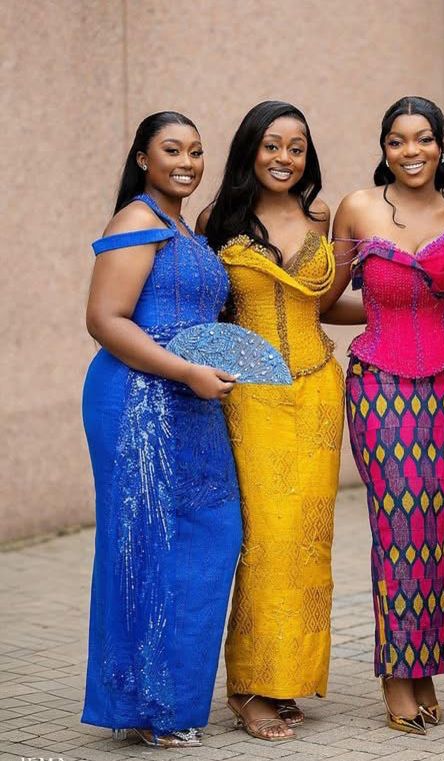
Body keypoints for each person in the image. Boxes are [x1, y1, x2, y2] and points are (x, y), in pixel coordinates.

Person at [82, 112, 242, 748]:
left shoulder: (186, 229)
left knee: (212, 533)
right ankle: (152, 708)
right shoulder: (136, 220)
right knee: (146, 543)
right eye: (172, 150)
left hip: (192, 399)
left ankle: (166, 699)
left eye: (196, 152)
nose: (187, 162)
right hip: (137, 400)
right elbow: (106, 319)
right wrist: (185, 371)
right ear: (144, 159)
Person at [326, 96, 444, 735]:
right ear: (384, 148)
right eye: (397, 140)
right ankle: (398, 671)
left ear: (442, 146)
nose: (410, 151)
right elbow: (325, 301)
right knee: (399, 524)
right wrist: (387, 310)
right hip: (380, 384)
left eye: (423, 138)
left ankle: (427, 667)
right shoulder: (358, 207)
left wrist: (426, 312)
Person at [197, 101, 344, 742]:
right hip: (252, 396)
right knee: (265, 538)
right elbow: (206, 309)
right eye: (273, 145)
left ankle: (289, 679)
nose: (285, 158)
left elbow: (324, 303)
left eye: (297, 147)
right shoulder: (216, 220)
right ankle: (249, 687)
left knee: (310, 537)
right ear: (250, 149)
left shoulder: (321, 215)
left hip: (320, 389)